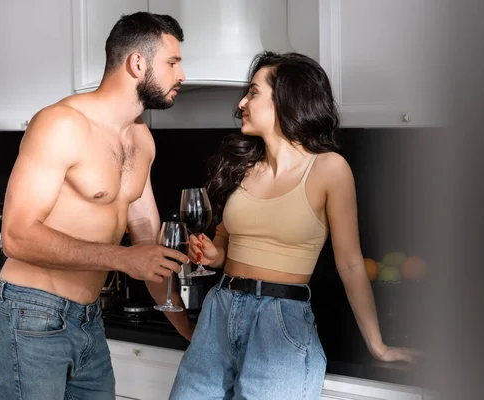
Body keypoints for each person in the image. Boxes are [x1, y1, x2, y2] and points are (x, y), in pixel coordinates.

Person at [168, 51, 421, 400]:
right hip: (219, 311)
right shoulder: (243, 167)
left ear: (286, 100)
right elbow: (224, 241)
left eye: (253, 92)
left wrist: (377, 346)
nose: (242, 102)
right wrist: (213, 254)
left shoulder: (328, 169)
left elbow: (349, 264)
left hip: (279, 322)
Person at [0, 12, 193, 400]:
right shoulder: (61, 124)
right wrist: (122, 259)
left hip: (88, 319)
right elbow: (16, 236)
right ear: (137, 63)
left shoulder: (142, 140)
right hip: (31, 314)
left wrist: (188, 331)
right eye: (173, 62)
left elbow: (147, 245)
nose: (182, 75)